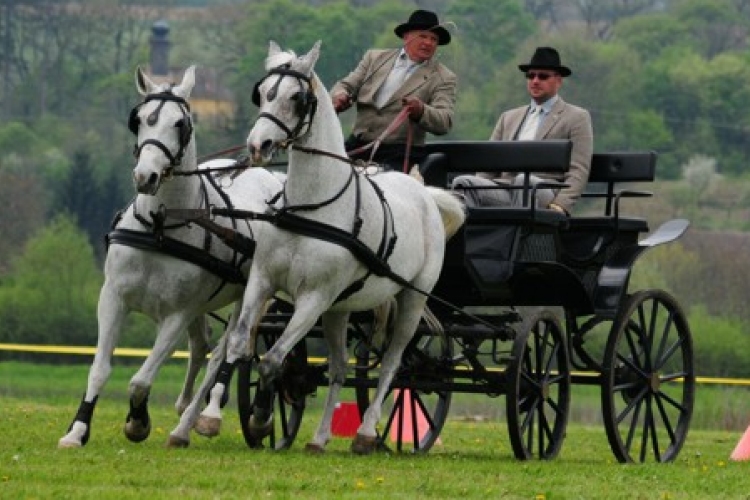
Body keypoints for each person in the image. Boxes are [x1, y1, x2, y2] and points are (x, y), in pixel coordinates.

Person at [452, 47, 593, 215]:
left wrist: (561, 205)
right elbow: (488, 163)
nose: (535, 81)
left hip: (543, 190)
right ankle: (473, 239)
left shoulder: (576, 117)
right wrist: (479, 185)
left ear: (558, 80)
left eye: (543, 76)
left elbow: (579, 169)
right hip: (505, 188)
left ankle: (518, 240)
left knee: (524, 181)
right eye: (530, 75)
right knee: (463, 183)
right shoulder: (508, 117)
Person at [330, 9, 457, 172]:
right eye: (423, 36)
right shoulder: (374, 58)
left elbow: (444, 121)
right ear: (406, 37)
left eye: (434, 39)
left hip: (400, 154)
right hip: (357, 146)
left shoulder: (443, 77)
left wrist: (421, 111)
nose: (428, 43)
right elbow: (346, 85)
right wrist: (339, 96)